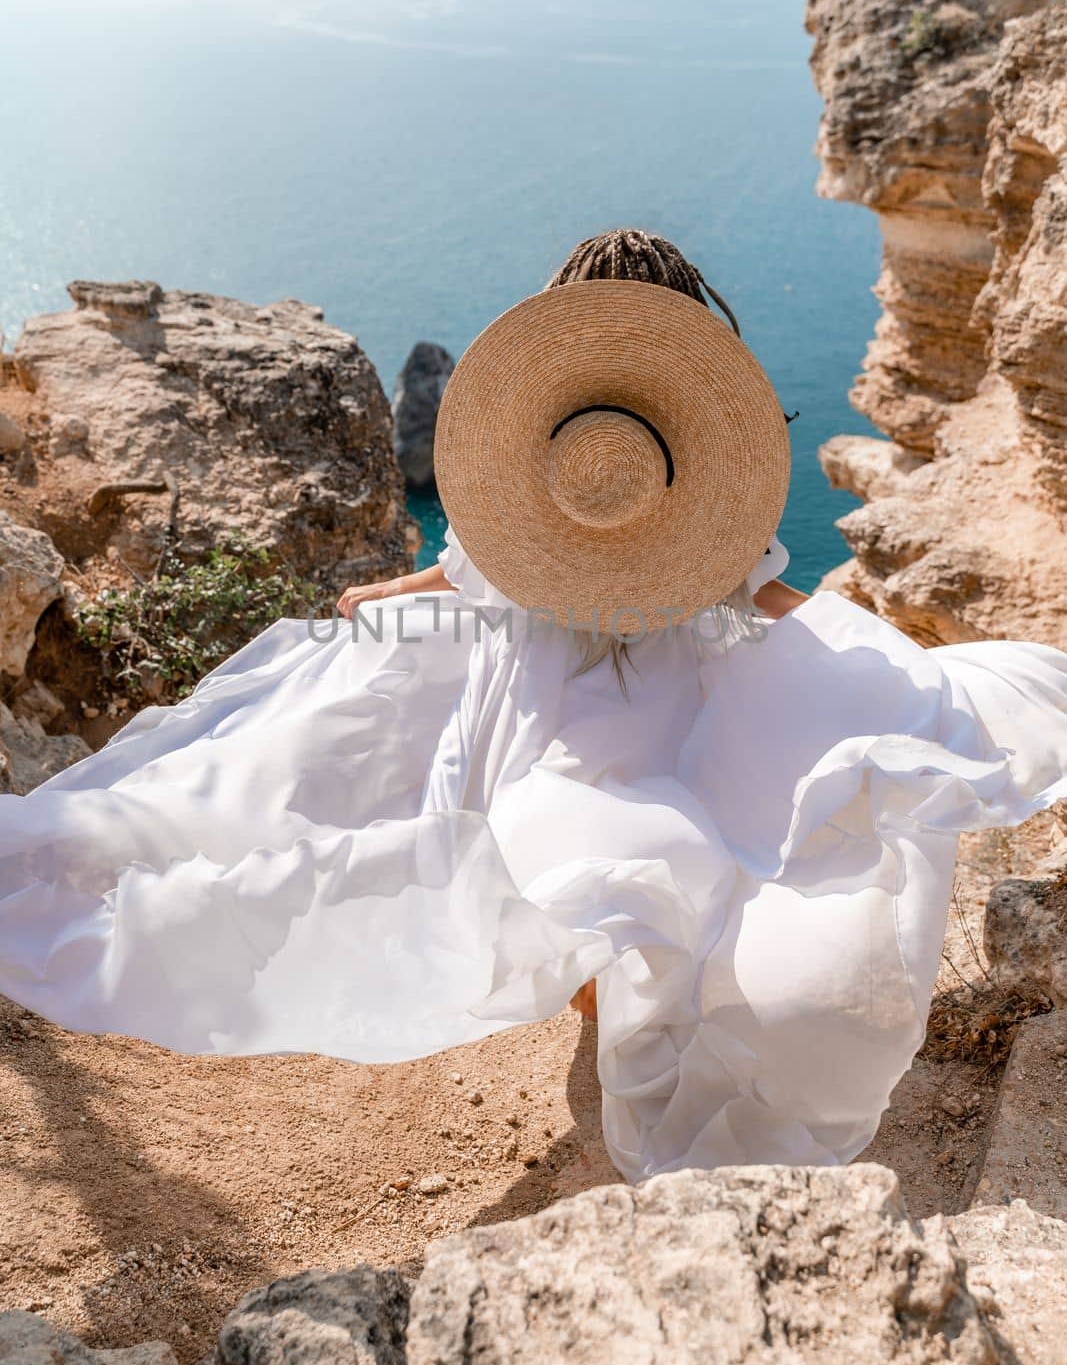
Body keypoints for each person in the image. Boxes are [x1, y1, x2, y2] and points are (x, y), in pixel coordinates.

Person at [2, 228, 1066, 1186]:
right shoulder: (692, 475)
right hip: (657, 692)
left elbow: (472, 567)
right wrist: (845, 635)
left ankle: (591, 988)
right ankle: (608, 988)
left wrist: (393, 593)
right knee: (656, 850)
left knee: (554, 846)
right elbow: (754, 589)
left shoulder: (540, 460)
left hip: (534, 698)